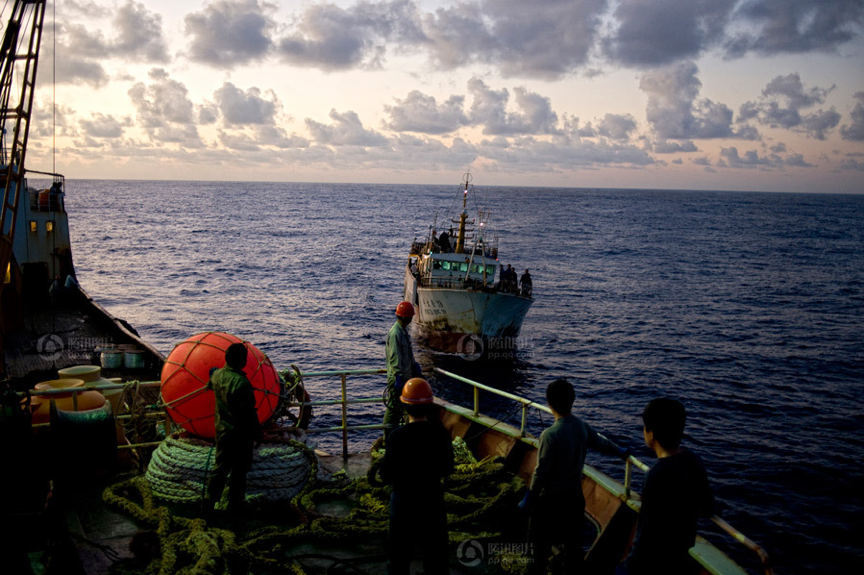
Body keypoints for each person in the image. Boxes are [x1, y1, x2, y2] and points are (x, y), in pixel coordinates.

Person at [524, 379, 628, 575]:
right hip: (574, 498)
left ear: (549, 403)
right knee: (573, 544)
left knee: (538, 543)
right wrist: (620, 451)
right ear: (572, 401)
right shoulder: (581, 426)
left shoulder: (549, 435)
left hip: (551, 501)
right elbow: (601, 443)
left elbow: (541, 473)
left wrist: (530, 498)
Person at [619, 398, 714, 575]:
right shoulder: (694, 460)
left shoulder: (656, 474)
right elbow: (709, 507)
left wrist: (628, 566)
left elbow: (646, 532)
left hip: (654, 562)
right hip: (680, 559)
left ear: (651, 434)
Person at [381, 378, 454, 575]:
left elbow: (385, 475)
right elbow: (448, 468)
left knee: (398, 557)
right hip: (432, 501)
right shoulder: (441, 434)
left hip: (403, 503)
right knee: (436, 558)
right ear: (430, 405)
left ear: (404, 405)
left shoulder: (396, 437)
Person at [205, 343, 262, 517]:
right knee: (240, 470)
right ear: (241, 361)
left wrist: (213, 373)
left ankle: (208, 504)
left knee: (220, 468)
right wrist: (257, 433)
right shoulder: (242, 382)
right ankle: (235, 505)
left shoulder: (217, 376)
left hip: (222, 432)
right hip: (240, 435)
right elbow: (250, 413)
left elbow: (211, 383)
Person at [384, 301, 421, 441]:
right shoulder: (395, 334)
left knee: (406, 411)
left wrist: (415, 368)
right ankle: (387, 439)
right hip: (398, 380)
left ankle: (402, 439)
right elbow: (394, 358)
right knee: (393, 410)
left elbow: (407, 355)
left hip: (406, 379)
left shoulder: (402, 332)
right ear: (407, 317)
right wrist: (398, 377)